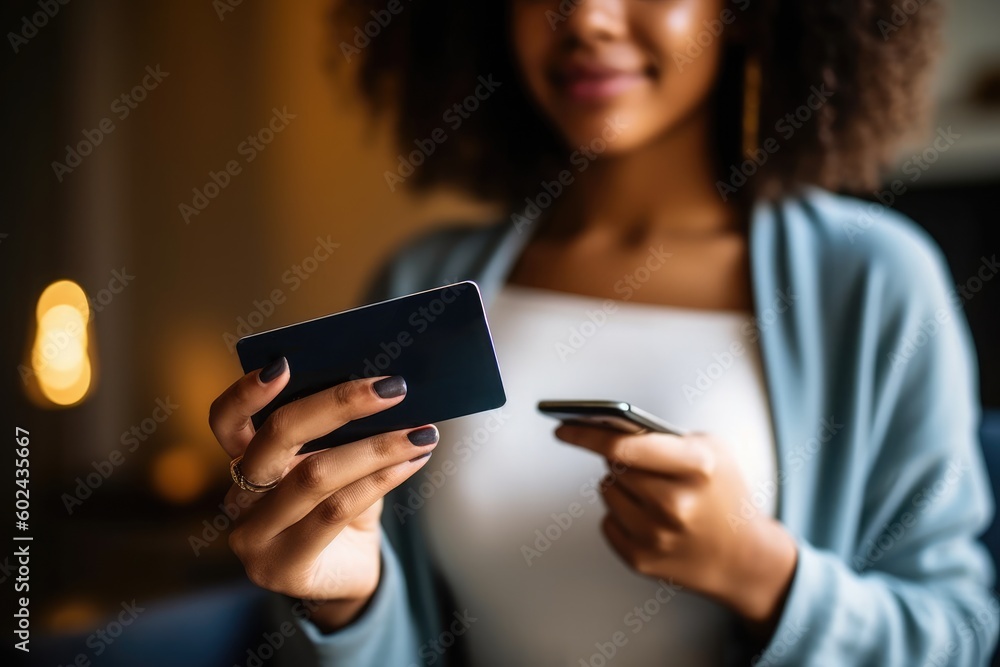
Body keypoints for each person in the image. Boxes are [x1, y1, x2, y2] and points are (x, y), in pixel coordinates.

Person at [208, 0, 998, 664]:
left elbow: (958, 634)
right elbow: (386, 638)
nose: (584, 17)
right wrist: (348, 602)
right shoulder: (422, 280)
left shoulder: (871, 279)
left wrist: (759, 571)